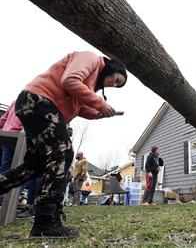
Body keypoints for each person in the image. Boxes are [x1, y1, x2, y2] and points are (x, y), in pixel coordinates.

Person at [0, 51, 127, 237]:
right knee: (63, 153)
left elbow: (79, 107)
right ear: (111, 67)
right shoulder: (90, 58)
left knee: (36, 165)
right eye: (116, 80)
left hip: (36, 104)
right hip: (39, 100)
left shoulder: (89, 85)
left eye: (117, 86)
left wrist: (99, 113)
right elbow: (70, 80)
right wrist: (100, 104)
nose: (113, 85)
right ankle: (45, 222)